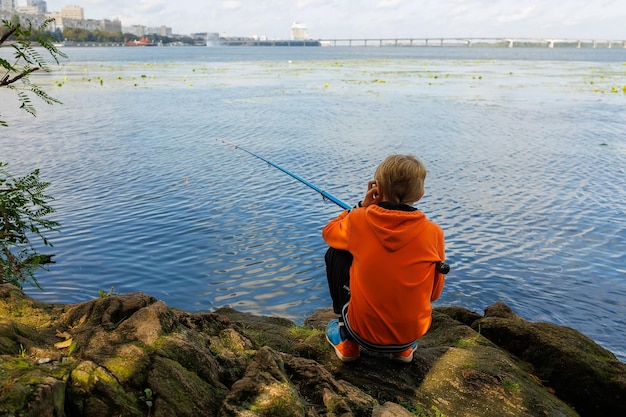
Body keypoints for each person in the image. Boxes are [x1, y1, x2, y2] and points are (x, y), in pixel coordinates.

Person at [322, 154, 446, 363]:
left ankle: (347, 340)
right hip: (410, 335)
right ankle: (402, 351)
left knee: (336, 252)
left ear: (377, 188)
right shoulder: (434, 232)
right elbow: (434, 294)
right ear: (421, 194)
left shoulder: (360, 220)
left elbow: (329, 233)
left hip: (362, 333)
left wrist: (361, 206)